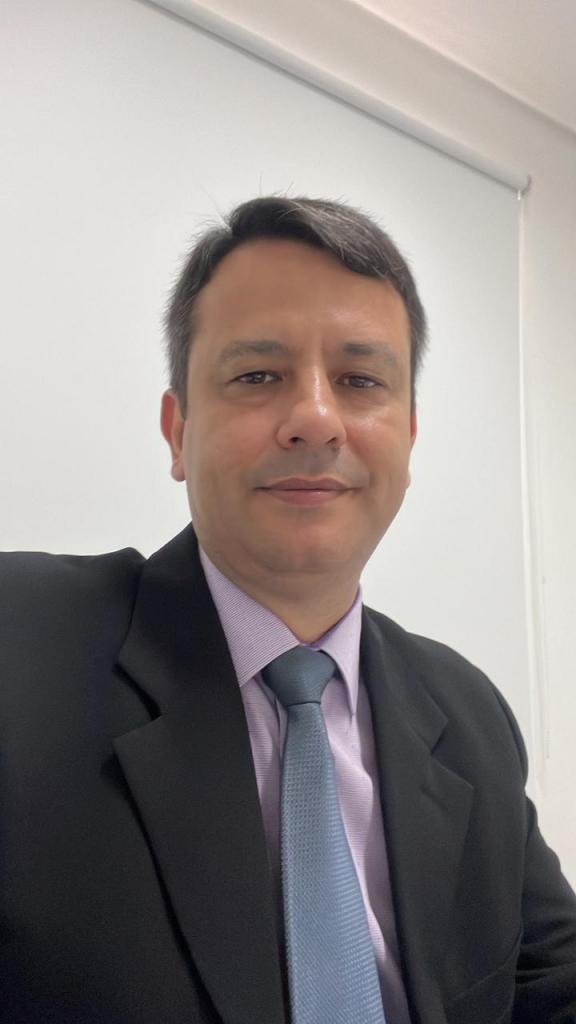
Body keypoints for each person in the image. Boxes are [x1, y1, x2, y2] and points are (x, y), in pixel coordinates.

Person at [1, 196, 575, 1024]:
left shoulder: (469, 712)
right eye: (258, 376)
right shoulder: (20, 648)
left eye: (360, 381)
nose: (315, 419)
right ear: (177, 431)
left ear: (409, 438)